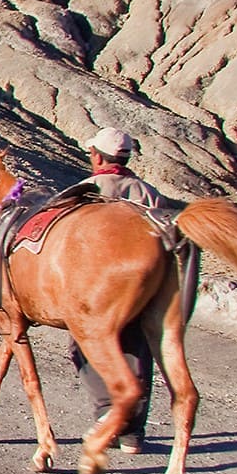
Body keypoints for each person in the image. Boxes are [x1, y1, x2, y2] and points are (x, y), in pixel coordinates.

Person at [70, 127, 164, 453]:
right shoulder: (148, 193)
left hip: (97, 289)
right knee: (138, 350)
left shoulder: (86, 191)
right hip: (143, 289)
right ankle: (133, 434)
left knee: (83, 345)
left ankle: (108, 412)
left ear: (96, 156)